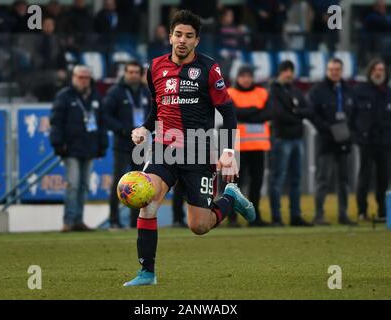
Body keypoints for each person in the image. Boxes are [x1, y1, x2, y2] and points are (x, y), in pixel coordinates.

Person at [123, 10, 255, 286]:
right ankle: (147, 272)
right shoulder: (155, 67)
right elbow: (156, 107)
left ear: (197, 40)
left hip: (198, 152)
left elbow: (227, 112)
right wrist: (145, 128)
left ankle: (230, 195)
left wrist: (229, 151)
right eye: (178, 34)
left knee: (199, 226)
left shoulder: (209, 69)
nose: (182, 40)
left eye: (189, 36)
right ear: (170, 36)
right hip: (163, 149)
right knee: (147, 203)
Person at [49, 65, 109, 232]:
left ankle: (78, 220)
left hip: (89, 146)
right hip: (71, 147)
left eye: (86, 77)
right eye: (80, 77)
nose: (84, 81)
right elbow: (56, 122)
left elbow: (101, 123)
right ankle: (68, 221)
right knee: (73, 184)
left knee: (83, 186)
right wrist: (58, 144)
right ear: (73, 77)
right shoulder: (64, 96)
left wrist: (102, 145)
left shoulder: (95, 97)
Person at [308, 58, 357, 226]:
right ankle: (318, 214)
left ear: (342, 71)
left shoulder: (349, 90)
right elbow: (312, 114)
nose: (334, 72)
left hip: (344, 140)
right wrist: (328, 129)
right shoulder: (317, 91)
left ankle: (343, 214)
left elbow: (355, 114)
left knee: (344, 179)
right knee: (323, 178)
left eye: (337, 69)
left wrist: (350, 132)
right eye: (331, 69)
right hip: (326, 141)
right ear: (327, 70)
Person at [103, 61, 151, 229]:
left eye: (136, 72)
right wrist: (123, 130)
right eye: (130, 72)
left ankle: (134, 221)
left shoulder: (146, 92)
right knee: (119, 182)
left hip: (140, 146)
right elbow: (105, 116)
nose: (133, 75)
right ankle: (114, 220)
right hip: (122, 144)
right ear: (124, 73)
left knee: (139, 183)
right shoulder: (115, 92)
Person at [268, 60, 313, 227]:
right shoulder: (274, 90)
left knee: (296, 179)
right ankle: (276, 217)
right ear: (280, 72)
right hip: (281, 139)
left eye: (291, 70)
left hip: (296, 139)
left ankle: (295, 216)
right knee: (278, 179)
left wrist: (295, 112)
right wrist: (298, 115)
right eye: (285, 70)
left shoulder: (296, 90)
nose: (288, 73)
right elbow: (278, 114)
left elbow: (308, 110)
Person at [227, 65, 271, 227]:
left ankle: (255, 217)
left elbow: (269, 113)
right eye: (243, 76)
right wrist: (255, 111)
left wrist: (245, 114)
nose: (246, 79)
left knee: (256, 183)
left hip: (258, 146)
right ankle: (232, 217)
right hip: (237, 147)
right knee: (234, 184)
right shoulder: (230, 93)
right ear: (238, 77)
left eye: (249, 76)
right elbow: (233, 113)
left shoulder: (262, 93)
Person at [352, 59, 391, 221]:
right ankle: (362, 211)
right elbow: (353, 117)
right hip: (366, 142)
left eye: (381, 70)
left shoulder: (390, 93)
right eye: (376, 70)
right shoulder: (360, 91)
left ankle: (382, 211)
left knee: (383, 178)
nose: (378, 73)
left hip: (384, 143)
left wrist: (390, 138)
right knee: (365, 176)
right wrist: (358, 137)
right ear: (370, 72)